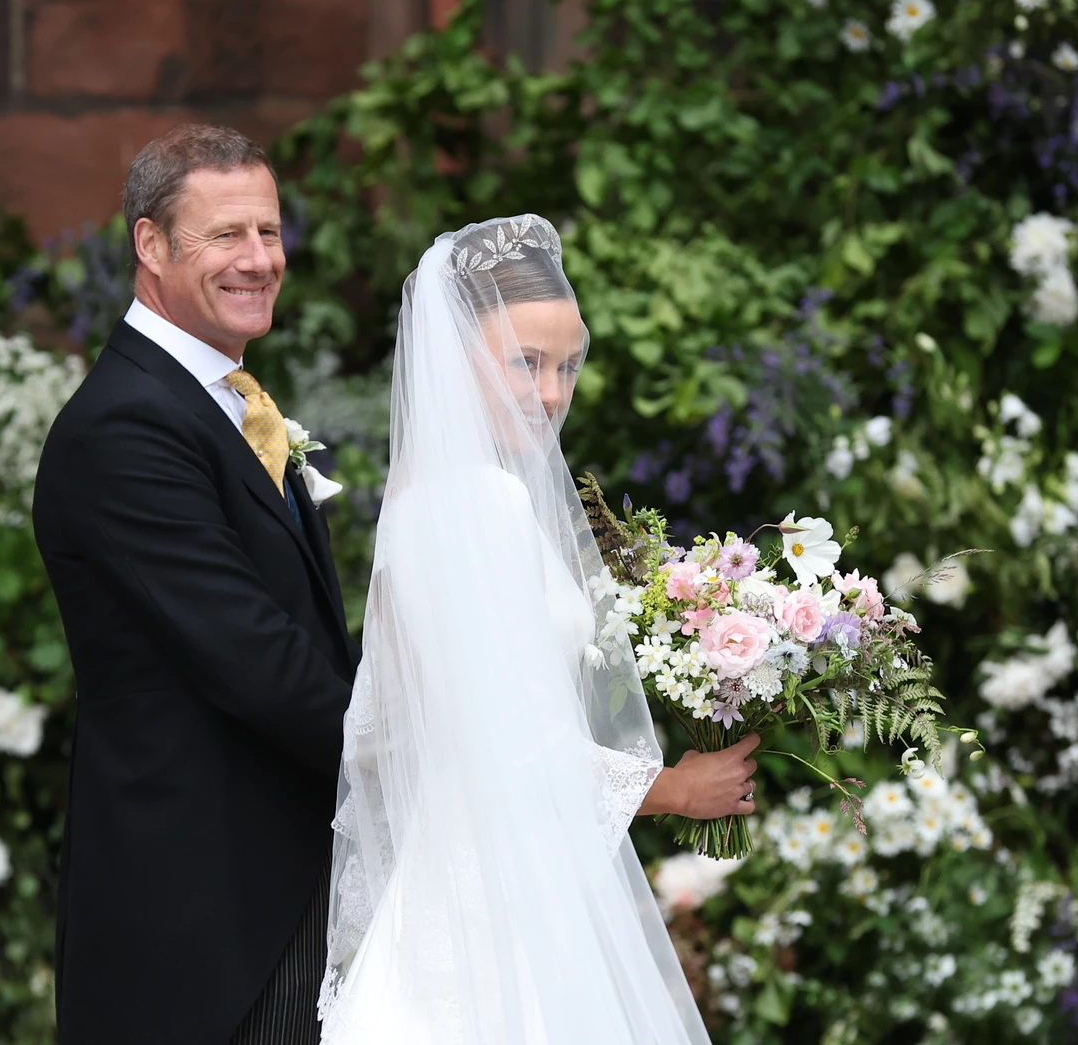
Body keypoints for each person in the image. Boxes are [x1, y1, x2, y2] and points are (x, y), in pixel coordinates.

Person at [318, 215, 760, 1045]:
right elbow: (511, 742)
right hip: (493, 900)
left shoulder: (428, 502)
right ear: (455, 359)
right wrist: (674, 788)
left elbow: (397, 733)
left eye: (567, 364)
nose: (553, 392)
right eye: (525, 362)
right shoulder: (480, 503)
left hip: (467, 875)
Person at [32, 125, 357, 1045]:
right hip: (207, 925)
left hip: (282, 891)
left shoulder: (225, 402)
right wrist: (435, 761)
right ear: (151, 244)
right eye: (226, 235)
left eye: (269, 231)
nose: (259, 259)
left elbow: (303, 637)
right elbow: (260, 662)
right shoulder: (125, 430)